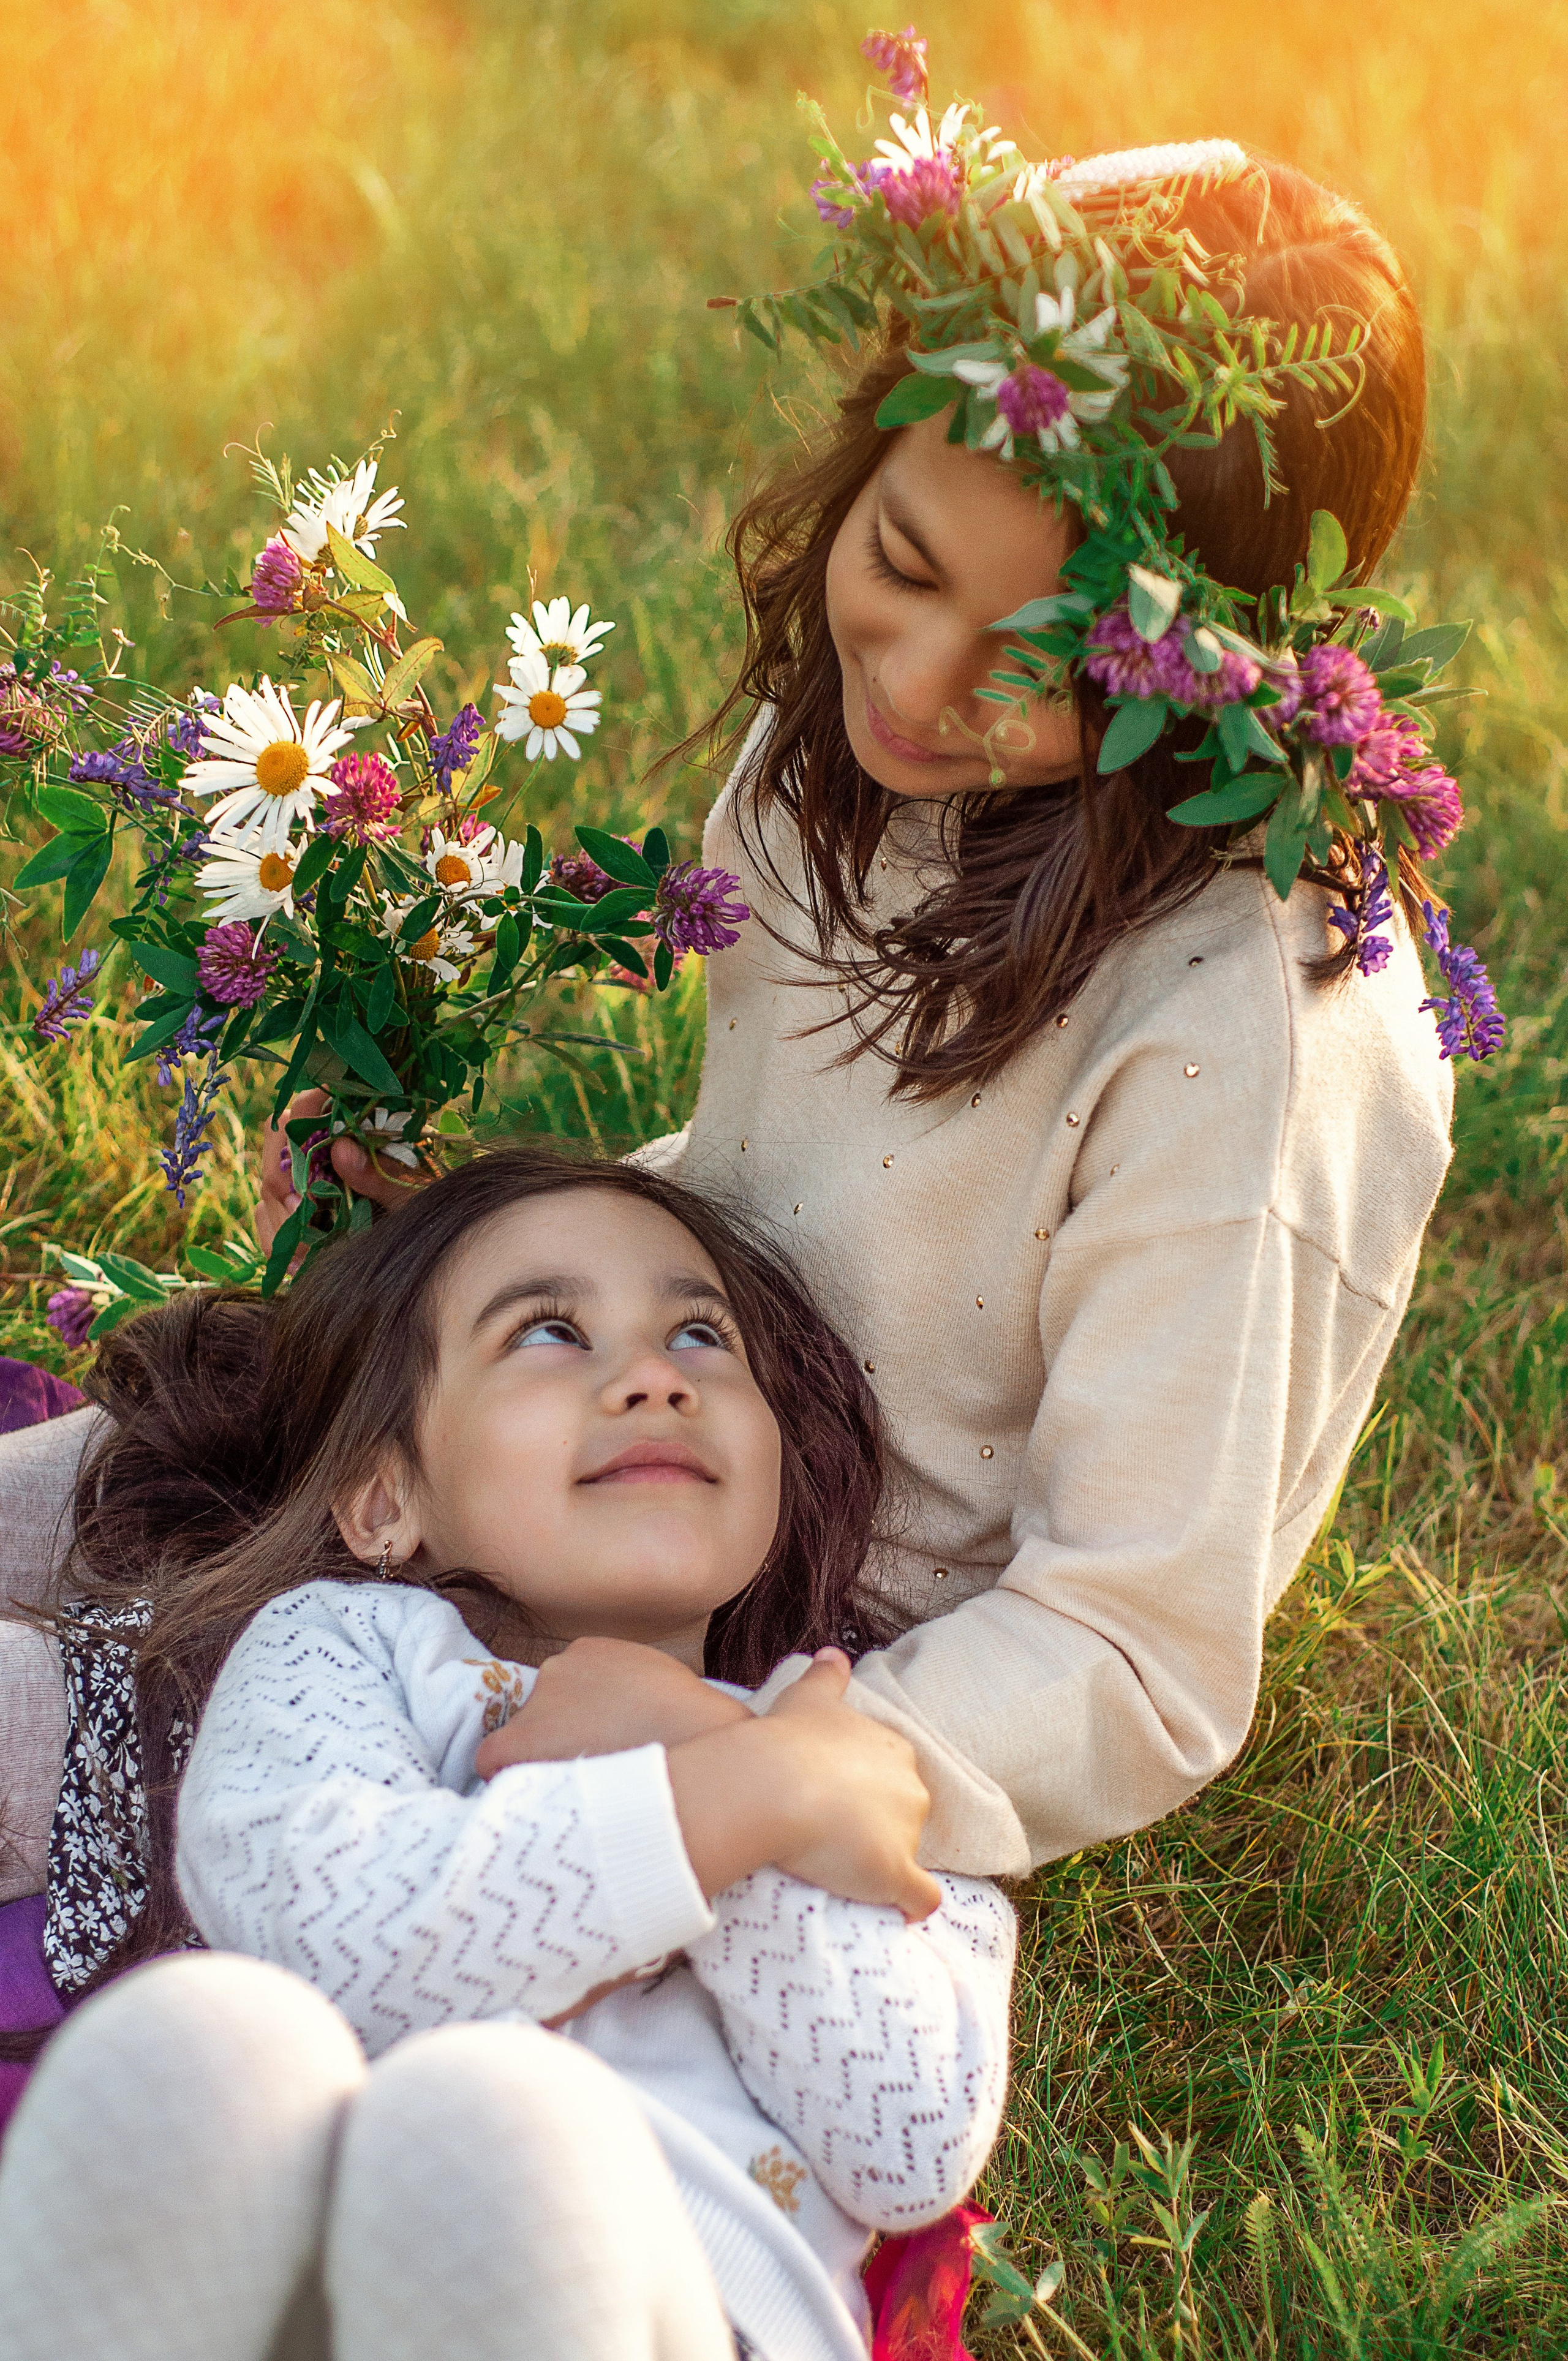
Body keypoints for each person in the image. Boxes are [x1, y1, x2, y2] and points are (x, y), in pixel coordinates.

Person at [1, 36, 1461, 2016]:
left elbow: (1136, 1644)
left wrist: (752, 1759)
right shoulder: (828, 769)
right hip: (656, 1390)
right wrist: (514, 1243)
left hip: (819, 1609)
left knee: (142, 1718)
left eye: (1032, 668)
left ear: (1205, 678)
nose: (920, 690)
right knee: (118, 1474)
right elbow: (794, 1200)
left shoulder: (1252, 1031)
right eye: (903, 564)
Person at [0, 1147, 1015, 2361]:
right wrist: (724, 1798)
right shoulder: (346, 1651)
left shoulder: (852, 1734)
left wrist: (727, 1745)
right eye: (546, 1331)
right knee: (191, 2037)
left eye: (700, 1337)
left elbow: (903, 2140)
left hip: (681, 2307)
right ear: (384, 1497)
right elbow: (322, 1938)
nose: (651, 1377)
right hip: (310, 2285)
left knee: (491, 2119)